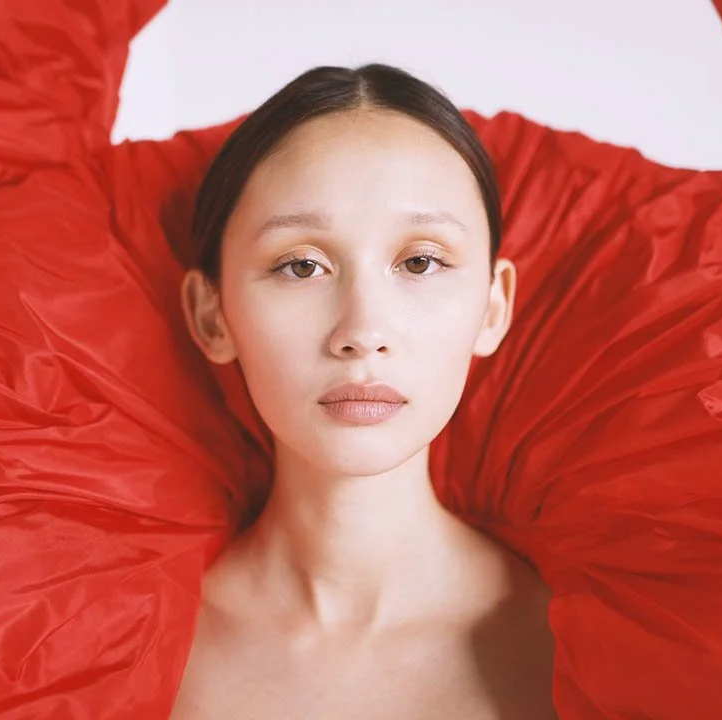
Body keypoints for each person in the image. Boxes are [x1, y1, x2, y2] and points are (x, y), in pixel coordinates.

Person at [170, 63, 557, 719]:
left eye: (420, 261)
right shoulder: (136, 646)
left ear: (493, 308)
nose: (362, 332)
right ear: (212, 315)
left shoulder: (572, 638)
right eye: (302, 265)